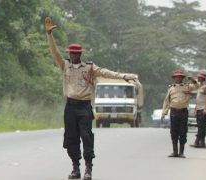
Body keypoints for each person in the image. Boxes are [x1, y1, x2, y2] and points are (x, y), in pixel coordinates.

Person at [44, 17, 137, 180]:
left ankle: (88, 168)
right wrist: (49, 35)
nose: (73, 55)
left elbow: (106, 72)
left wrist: (124, 76)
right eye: (71, 53)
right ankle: (75, 168)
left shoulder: (89, 67)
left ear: (80, 54)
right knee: (71, 138)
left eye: (76, 53)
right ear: (69, 54)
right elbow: (54, 52)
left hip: (84, 107)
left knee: (86, 136)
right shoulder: (64, 65)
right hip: (70, 107)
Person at [161, 70, 198, 158]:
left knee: (182, 132)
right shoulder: (171, 88)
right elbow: (166, 101)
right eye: (177, 77)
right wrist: (164, 112)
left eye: (180, 77)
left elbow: (197, 87)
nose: (178, 78)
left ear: (182, 78)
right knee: (173, 132)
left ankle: (181, 152)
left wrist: (193, 80)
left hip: (183, 112)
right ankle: (174, 152)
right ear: (174, 78)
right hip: (173, 111)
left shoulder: (187, 86)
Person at [190, 71, 206, 148]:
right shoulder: (199, 86)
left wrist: (205, 108)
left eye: (199, 77)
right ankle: (202, 143)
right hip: (199, 108)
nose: (198, 78)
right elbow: (198, 99)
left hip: (204, 109)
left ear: (203, 78)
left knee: (201, 126)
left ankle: (197, 142)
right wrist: (196, 109)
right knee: (200, 126)